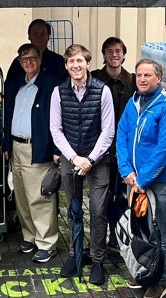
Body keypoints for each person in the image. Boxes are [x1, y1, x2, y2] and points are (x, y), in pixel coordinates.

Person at [117, 58, 166, 298]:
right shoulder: (134, 102)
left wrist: (141, 181)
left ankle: (160, 281)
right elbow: (122, 135)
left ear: (158, 78)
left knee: (159, 234)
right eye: (139, 75)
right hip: (134, 181)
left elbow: (164, 150)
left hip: (158, 182)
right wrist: (126, 171)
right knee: (140, 231)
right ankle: (146, 271)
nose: (142, 79)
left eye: (147, 75)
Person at [49, 44, 115, 284]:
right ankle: (75, 255)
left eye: (80, 61)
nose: (76, 66)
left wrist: (90, 159)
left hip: (97, 159)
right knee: (74, 210)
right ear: (66, 66)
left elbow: (108, 131)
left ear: (88, 63)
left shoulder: (102, 90)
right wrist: (74, 157)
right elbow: (55, 130)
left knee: (98, 211)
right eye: (71, 62)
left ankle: (97, 260)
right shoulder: (58, 92)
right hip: (70, 158)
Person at [1, 43, 60, 263]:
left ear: (40, 59)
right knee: (22, 195)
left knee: (40, 197)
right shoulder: (17, 83)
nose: (28, 63)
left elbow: (57, 120)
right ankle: (30, 236)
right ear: (19, 62)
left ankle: (47, 242)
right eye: (24, 60)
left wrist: (55, 149)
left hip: (38, 147)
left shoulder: (52, 84)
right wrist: (6, 144)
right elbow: (8, 115)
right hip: (16, 147)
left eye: (32, 59)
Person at [89, 36, 136, 254]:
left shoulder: (135, 81)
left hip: (126, 148)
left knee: (122, 195)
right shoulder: (94, 79)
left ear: (124, 54)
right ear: (104, 55)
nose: (114, 55)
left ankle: (119, 237)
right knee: (100, 196)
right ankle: (98, 240)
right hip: (99, 148)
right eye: (109, 51)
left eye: (118, 51)